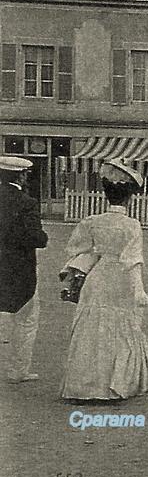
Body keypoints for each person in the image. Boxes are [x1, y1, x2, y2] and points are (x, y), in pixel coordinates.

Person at [61, 160, 148, 401]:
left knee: (92, 326)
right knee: (121, 327)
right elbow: (132, 260)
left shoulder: (93, 221)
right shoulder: (131, 225)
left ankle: (84, 386)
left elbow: (79, 250)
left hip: (99, 276)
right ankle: (115, 383)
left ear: (107, 195)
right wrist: (139, 290)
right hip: (121, 280)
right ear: (129, 198)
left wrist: (74, 273)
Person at [0, 156, 48, 383]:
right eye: (26, 174)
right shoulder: (27, 203)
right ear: (20, 175)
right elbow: (35, 238)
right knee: (26, 321)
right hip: (19, 270)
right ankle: (18, 370)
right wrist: (43, 236)